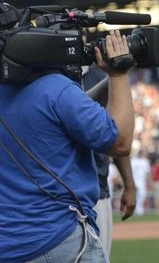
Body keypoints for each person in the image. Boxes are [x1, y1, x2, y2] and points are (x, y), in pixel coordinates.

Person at [0, 30, 135, 262]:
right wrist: (118, 75)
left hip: (10, 246)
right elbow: (120, 143)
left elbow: (61, 114)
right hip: (61, 238)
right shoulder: (56, 88)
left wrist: (107, 83)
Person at [82, 62, 136, 258]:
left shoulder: (100, 75)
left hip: (98, 187)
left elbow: (118, 138)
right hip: (61, 191)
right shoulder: (50, 69)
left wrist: (129, 185)